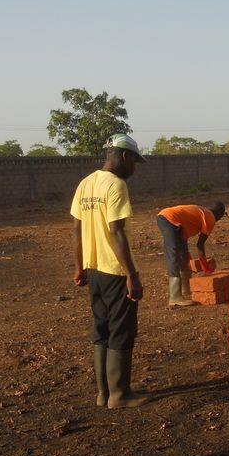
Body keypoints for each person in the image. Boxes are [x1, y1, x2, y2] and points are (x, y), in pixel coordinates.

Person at [71, 134, 148, 410]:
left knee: (101, 330)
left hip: (94, 271)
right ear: (125, 157)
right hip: (115, 271)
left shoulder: (85, 183)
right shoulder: (116, 186)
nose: (134, 169)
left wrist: (79, 266)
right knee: (121, 330)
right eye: (135, 162)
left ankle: (103, 394)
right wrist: (132, 275)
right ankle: (120, 394)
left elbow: (77, 229)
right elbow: (117, 232)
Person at [156, 202, 226, 307]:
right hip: (168, 219)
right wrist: (205, 269)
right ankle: (175, 297)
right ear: (220, 215)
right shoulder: (210, 218)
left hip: (174, 222)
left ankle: (186, 289)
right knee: (173, 254)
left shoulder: (204, 212)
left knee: (183, 255)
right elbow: (199, 245)